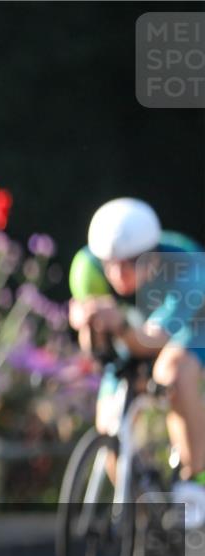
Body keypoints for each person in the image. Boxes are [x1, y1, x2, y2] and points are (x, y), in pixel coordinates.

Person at [68, 197, 205, 522]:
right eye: (109, 263)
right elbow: (97, 349)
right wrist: (87, 324)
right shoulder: (87, 266)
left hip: (193, 328)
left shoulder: (187, 267)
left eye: (128, 263)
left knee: (171, 371)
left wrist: (118, 323)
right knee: (109, 426)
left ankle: (194, 477)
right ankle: (148, 516)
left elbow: (153, 342)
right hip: (135, 330)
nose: (117, 274)